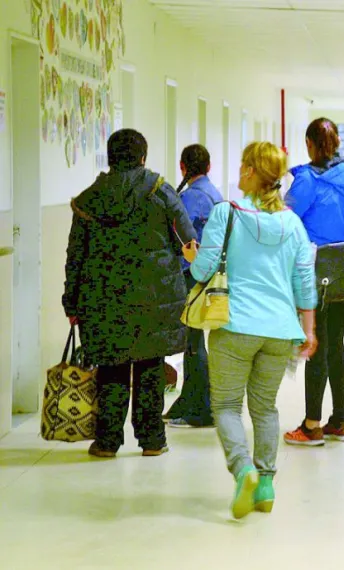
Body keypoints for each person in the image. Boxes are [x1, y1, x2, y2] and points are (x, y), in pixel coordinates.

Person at [188, 141, 317, 519]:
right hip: (280, 330)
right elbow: (304, 281)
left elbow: (202, 271)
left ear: (248, 172)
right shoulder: (292, 224)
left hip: (234, 326)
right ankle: (265, 484)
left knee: (227, 405)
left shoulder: (225, 213)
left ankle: (242, 468)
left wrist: (193, 257)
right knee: (265, 408)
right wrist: (308, 330)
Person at [62, 128, 195, 458]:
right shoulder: (161, 191)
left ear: (110, 158)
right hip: (155, 297)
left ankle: (107, 441)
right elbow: (189, 240)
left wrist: (71, 301)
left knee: (111, 367)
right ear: (142, 157)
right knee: (150, 366)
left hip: (102, 298)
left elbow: (75, 255)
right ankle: (152, 440)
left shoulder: (89, 198)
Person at [283, 118, 344, 446]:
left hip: (316, 275)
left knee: (316, 346)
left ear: (309, 144)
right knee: (336, 346)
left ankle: (311, 425)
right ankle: (340, 421)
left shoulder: (307, 181)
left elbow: (285, 220)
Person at [163, 143, 223, 429]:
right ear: (209, 167)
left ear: (182, 167)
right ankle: (190, 401)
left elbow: (178, 239)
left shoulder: (189, 199)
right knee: (194, 342)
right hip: (211, 275)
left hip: (192, 276)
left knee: (193, 343)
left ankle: (201, 408)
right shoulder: (215, 195)